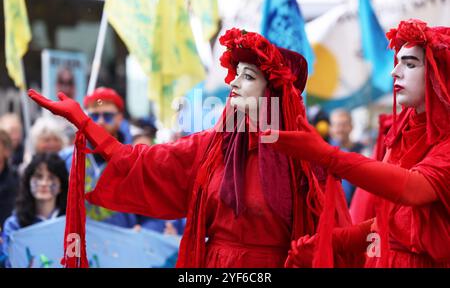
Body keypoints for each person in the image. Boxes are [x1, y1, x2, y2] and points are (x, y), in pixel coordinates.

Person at [28, 28, 353, 268]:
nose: (234, 83)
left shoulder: (309, 158)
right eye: (236, 74)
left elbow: (333, 240)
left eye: (248, 76)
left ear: (275, 91)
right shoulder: (214, 146)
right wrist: (84, 123)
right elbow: (140, 161)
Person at [264, 19, 450, 268]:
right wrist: (332, 241)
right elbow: (387, 223)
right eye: (398, 62)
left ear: (441, 74)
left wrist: (326, 155)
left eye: (410, 64)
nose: (395, 72)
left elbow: (413, 189)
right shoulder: (402, 134)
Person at [59, 87, 138, 228]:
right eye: (94, 116)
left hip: (122, 245)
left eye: (107, 116)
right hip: (77, 245)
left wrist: (144, 231)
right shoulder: (66, 159)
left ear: (120, 118)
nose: (100, 121)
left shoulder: (134, 161)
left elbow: (153, 211)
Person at [1, 153, 68, 267]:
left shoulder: (72, 223)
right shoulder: (14, 224)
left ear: (61, 184)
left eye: (51, 177)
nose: (44, 183)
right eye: (38, 176)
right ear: (28, 181)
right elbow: (9, 262)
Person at [328, 108, 365, 206]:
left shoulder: (362, 151)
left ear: (351, 127)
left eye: (344, 125)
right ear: (330, 128)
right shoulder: (325, 153)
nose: (340, 129)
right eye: (337, 125)